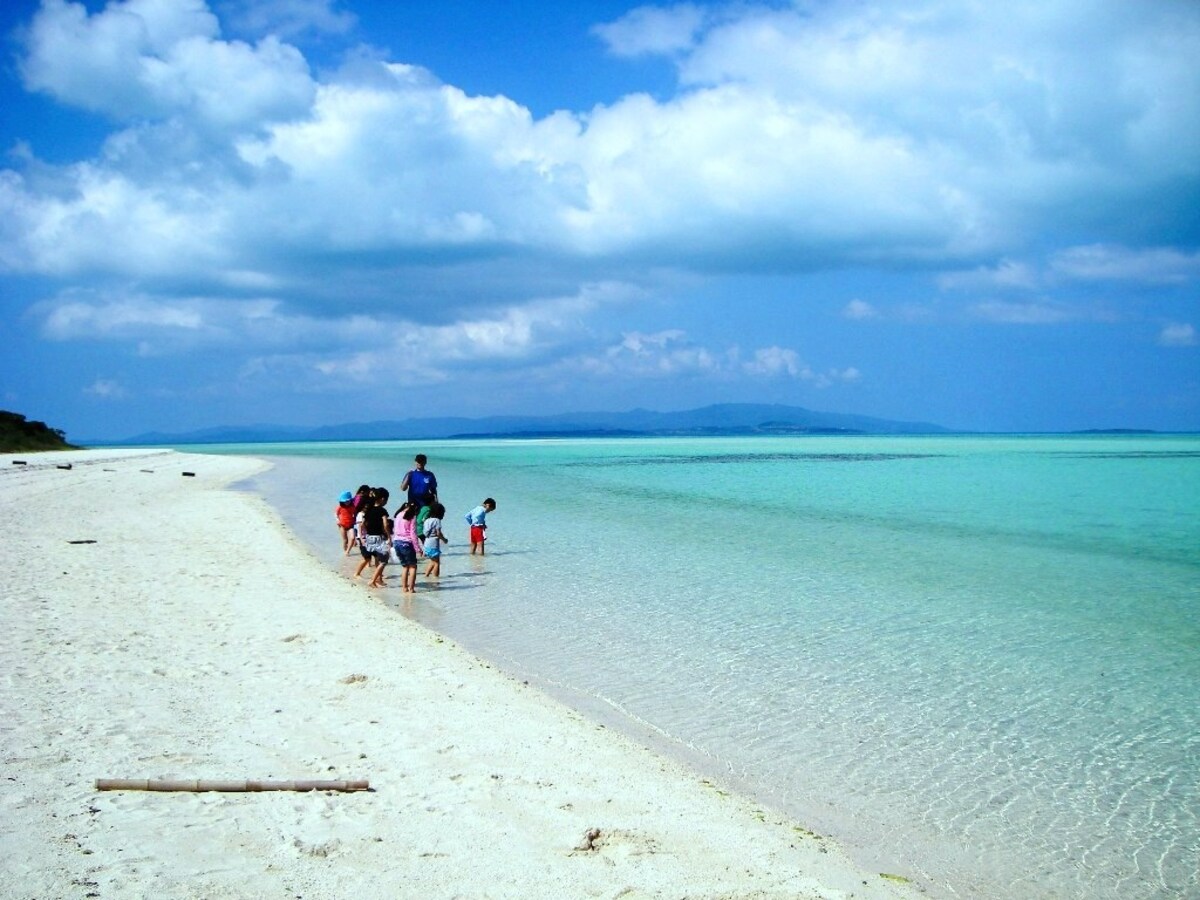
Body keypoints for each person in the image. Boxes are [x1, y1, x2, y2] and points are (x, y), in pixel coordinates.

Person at [353, 488, 392, 587]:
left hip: (369, 538)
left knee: (377, 559)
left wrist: (362, 537)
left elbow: (362, 524)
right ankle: (373, 580)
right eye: (386, 500)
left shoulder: (369, 509)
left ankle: (379, 579)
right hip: (379, 538)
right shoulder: (382, 510)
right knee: (384, 560)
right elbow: (385, 524)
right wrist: (389, 536)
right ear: (382, 499)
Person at [391, 501, 423, 593]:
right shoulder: (412, 517)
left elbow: (395, 530)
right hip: (406, 544)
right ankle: (411, 588)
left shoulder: (398, 515)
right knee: (413, 567)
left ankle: (404, 587)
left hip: (397, 542)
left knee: (405, 567)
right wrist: (418, 549)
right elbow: (413, 534)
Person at [422, 502, 448, 578]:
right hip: (433, 544)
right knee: (437, 562)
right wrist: (444, 540)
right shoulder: (437, 521)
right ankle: (436, 578)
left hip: (426, 543)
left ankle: (426, 575)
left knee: (432, 561)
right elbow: (438, 533)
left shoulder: (427, 520)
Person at [335, 490, 356, 555]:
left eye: (348, 501)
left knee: (352, 538)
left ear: (350, 500)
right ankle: (345, 551)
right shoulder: (340, 507)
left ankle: (347, 551)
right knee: (345, 540)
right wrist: (337, 520)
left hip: (350, 525)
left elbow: (355, 514)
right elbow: (336, 514)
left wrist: (355, 520)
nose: (347, 502)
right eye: (345, 501)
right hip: (342, 525)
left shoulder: (353, 507)